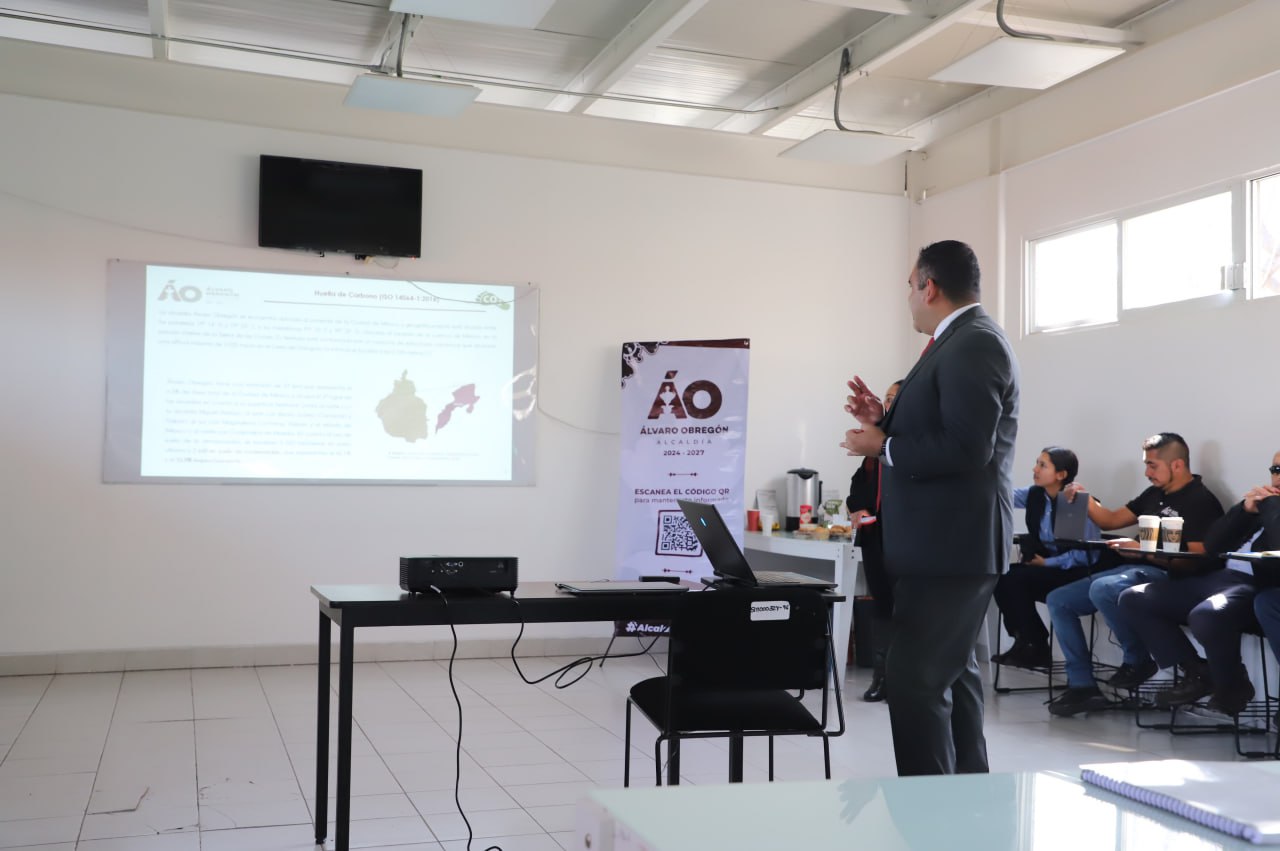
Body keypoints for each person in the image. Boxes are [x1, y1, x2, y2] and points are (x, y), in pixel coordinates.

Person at [840, 240, 1019, 776]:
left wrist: (884, 446)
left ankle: (928, 809)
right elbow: (946, 426)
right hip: (941, 545)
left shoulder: (974, 343)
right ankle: (967, 804)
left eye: (909, 287)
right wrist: (885, 420)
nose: (908, 299)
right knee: (951, 677)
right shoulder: (955, 342)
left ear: (930, 287)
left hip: (953, 547)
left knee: (914, 680)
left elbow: (968, 447)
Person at [1044, 433, 1225, 717]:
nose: (1147, 472)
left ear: (1177, 465)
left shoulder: (1200, 500)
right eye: (1146, 465)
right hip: (1137, 567)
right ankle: (1082, 686)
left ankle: (1137, 659)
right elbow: (1111, 520)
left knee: (1103, 588)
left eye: (1152, 465)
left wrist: (1142, 552)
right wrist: (1083, 498)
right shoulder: (1154, 494)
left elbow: (1198, 557)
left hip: (1172, 577)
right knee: (1059, 600)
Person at [1117, 453, 1280, 715]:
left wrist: (1272, 506)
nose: (1277, 477)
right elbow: (1212, 545)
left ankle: (1232, 685)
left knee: (1206, 615)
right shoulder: (1262, 506)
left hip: (1258, 587)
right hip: (1221, 578)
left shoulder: (1272, 506)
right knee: (1134, 598)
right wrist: (1243, 510)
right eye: (1275, 469)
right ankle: (1198, 672)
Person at [990, 447, 1100, 669]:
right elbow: (1002, 495)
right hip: (1048, 568)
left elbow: (1086, 554)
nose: (1035, 469)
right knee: (1002, 576)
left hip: (1075, 571)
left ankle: (1035, 644)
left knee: (1014, 579)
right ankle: (1026, 640)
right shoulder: (1035, 495)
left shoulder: (1077, 503)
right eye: (1037, 463)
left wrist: (1047, 563)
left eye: (1042, 465)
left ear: (1061, 474)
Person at [845, 379, 902, 702]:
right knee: (882, 605)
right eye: (887, 398)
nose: (889, 404)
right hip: (874, 537)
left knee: (904, 608)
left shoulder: (904, 443)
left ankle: (901, 676)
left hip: (903, 538)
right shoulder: (874, 445)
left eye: (895, 399)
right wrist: (858, 508)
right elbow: (858, 488)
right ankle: (882, 676)